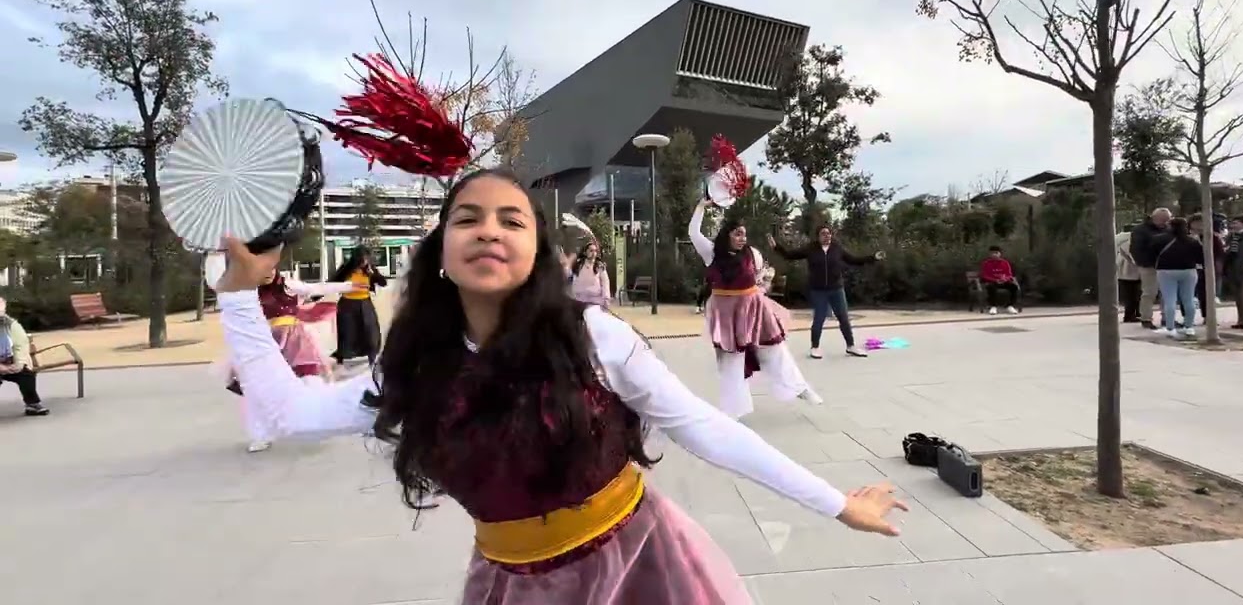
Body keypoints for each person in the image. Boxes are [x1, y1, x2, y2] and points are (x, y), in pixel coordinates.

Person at [215, 169, 906, 604]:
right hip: (513, 587)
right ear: (443, 257)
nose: (489, 230)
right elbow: (284, 413)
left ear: (538, 255)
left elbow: (703, 425)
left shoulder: (593, 336)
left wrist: (836, 503)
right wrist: (240, 297)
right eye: (468, 218)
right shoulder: (412, 368)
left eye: (511, 220)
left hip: (644, 568)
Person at [689, 199, 821, 418]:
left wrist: (762, 286)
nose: (742, 238)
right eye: (738, 234)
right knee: (730, 361)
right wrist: (701, 207)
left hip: (754, 309)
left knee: (775, 350)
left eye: (744, 234)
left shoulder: (753, 254)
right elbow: (694, 233)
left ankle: (800, 388)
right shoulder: (711, 253)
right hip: (726, 314)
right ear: (727, 234)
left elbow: (760, 278)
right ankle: (733, 411)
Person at [227, 268, 364, 453]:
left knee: (311, 380)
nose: (266, 272)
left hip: (296, 341)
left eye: (270, 267)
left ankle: (325, 419)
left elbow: (316, 288)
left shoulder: (289, 286)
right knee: (256, 391)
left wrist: (347, 286)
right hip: (266, 343)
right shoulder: (250, 293)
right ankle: (260, 435)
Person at [767, 225, 885, 359]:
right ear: (818, 236)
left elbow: (854, 260)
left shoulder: (837, 248)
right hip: (818, 290)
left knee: (844, 318)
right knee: (819, 319)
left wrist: (873, 257)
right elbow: (790, 255)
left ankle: (851, 346)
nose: (827, 236)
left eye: (829, 233)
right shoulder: (811, 249)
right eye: (823, 234)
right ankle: (815, 347)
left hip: (836, 289)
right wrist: (776, 247)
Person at [330, 246, 388, 365]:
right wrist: (314, 297)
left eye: (367, 258)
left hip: (365, 303)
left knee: (371, 332)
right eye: (363, 259)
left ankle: (372, 357)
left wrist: (374, 275)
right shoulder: (346, 269)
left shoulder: (369, 269)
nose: (365, 261)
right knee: (348, 333)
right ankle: (342, 357)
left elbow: (383, 283)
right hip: (347, 305)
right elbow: (332, 283)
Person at [1154, 217, 1203, 338]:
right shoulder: (1193, 241)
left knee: (1169, 300)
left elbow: (1151, 254)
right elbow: (1200, 257)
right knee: (1189, 299)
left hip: (1166, 270)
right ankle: (1189, 327)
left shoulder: (1160, 239)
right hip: (1189, 270)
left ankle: (1170, 327)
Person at [0, 298, 49, 416]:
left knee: (26, 373)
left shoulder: (12, 325)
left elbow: (21, 345)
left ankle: (32, 405)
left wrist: (19, 364)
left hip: (9, 362)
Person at [1130, 207, 1172, 329]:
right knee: (1149, 292)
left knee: (1168, 293)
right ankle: (1146, 318)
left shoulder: (1169, 230)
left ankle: (1167, 318)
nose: (1165, 223)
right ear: (1154, 218)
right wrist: (1143, 263)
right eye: (1163, 220)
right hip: (1149, 265)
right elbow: (1136, 249)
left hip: (1167, 266)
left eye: (1167, 220)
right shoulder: (1141, 230)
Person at [978, 245, 1021, 315]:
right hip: (992, 282)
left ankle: (1010, 306)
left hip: (1004, 281)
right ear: (990, 254)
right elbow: (984, 275)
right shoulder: (986, 263)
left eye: (996, 253)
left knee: (1014, 287)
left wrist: (1005, 279)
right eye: (992, 253)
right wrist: (995, 280)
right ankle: (993, 306)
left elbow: (1009, 274)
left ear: (1000, 254)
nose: (994, 254)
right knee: (991, 287)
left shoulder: (1005, 263)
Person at [569, 240, 611, 308]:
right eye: (591, 251)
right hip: (579, 301)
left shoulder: (599, 266)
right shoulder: (578, 265)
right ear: (585, 252)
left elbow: (605, 283)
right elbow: (570, 278)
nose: (594, 253)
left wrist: (606, 299)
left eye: (595, 251)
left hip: (595, 302)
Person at [1115, 226, 1142, 323]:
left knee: (1130, 295)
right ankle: (1131, 315)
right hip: (1133, 270)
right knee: (1134, 294)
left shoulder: (1118, 240)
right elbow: (1133, 256)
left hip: (1123, 271)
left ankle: (1132, 314)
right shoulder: (1129, 241)